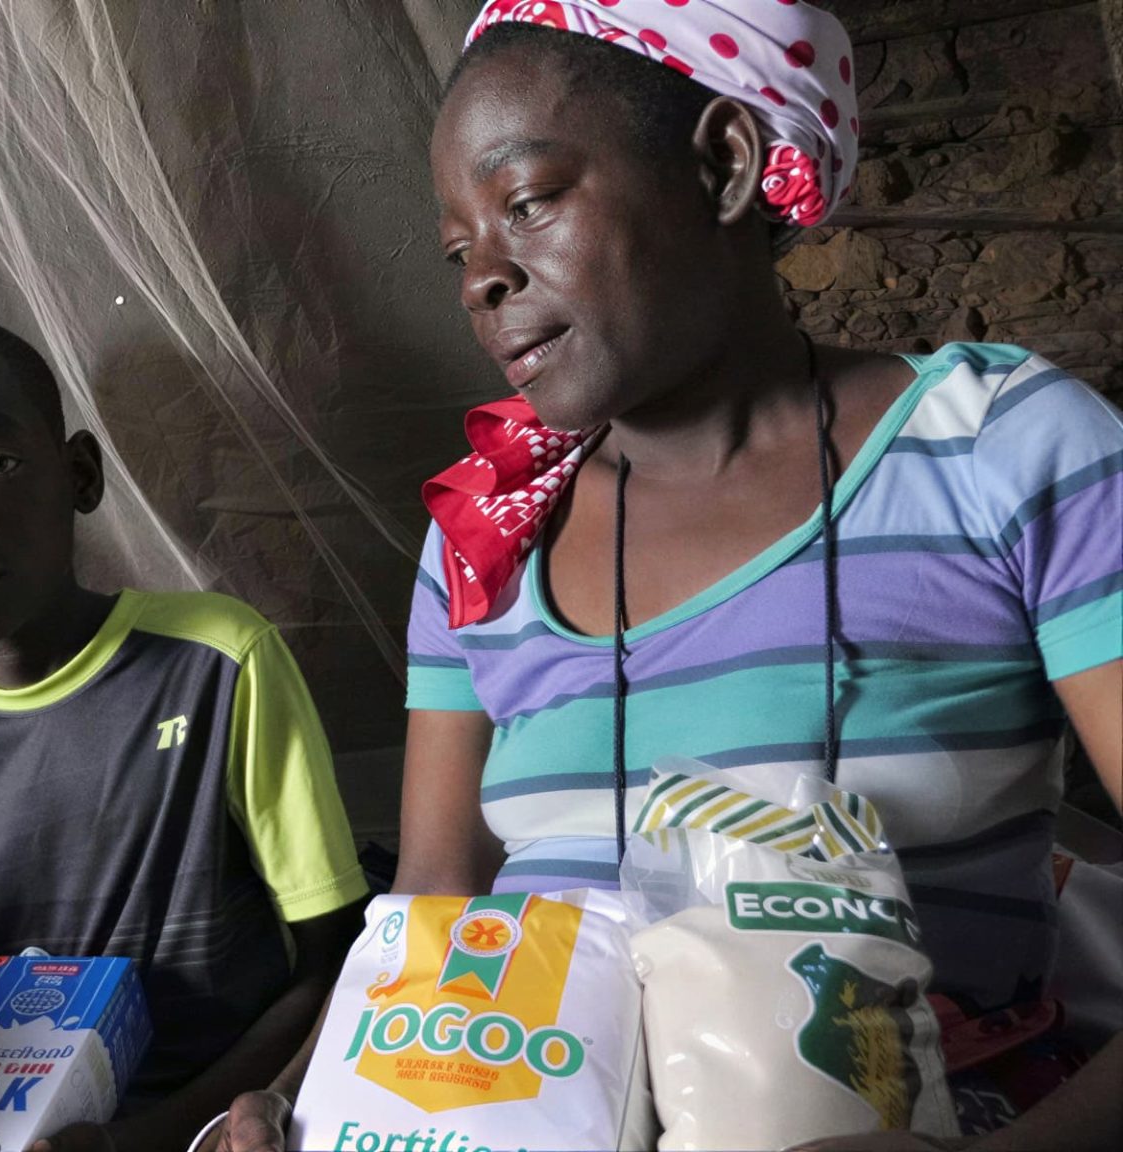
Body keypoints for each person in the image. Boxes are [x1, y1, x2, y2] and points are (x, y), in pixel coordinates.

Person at [214, 2, 1122, 1150]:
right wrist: (290, 1098)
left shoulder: (1000, 451)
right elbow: (433, 912)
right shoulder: (483, 528)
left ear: (725, 165)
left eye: (529, 202)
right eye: (458, 250)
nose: (482, 279)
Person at [0, 312, 370, 1152]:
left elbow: (331, 963)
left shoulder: (219, 661)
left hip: (208, 1125)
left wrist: (145, 1139)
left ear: (79, 474)